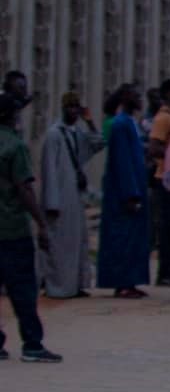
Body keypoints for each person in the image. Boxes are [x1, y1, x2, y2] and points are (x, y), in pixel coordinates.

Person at [0, 92, 59, 361]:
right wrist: (41, 223)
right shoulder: (14, 146)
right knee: (23, 289)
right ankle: (32, 344)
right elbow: (24, 188)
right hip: (12, 230)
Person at [39, 92, 103, 298]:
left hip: (75, 196)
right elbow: (49, 169)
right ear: (63, 109)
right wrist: (51, 203)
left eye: (76, 107)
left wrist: (89, 121)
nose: (74, 111)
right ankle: (58, 287)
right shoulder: (54, 135)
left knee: (77, 242)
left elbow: (98, 143)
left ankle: (75, 285)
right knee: (60, 244)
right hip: (59, 198)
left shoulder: (76, 133)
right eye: (70, 107)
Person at [97, 84, 152, 299]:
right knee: (123, 239)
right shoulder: (120, 125)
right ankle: (122, 283)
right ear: (127, 98)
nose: (140, 100)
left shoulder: (130, 123)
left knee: (135, 239)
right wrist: (131, 194)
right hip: (124, 194)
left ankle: (131, 280)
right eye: (136, 96)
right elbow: (123, 162)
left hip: (136, 187)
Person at [147, 77, 170, 286]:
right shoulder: (163, 118)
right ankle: (165, 273)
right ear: (168, 93)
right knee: (168, 227)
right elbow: (154, 148)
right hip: (165, 179)